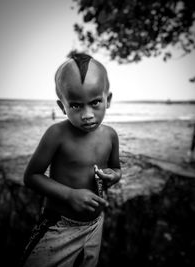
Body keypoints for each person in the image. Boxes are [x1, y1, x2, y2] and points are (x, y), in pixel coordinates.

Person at [20, 53, 122, 267]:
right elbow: (31, 177)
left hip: (95, 224)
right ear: (62, 106)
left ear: (108, 99)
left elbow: (116, 168)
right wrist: (70, 195)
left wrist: (113, 175)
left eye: (95, 103)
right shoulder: (56, 134)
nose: (87, 114)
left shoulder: (110, 135)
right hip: (59, 225)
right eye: (76, 106)